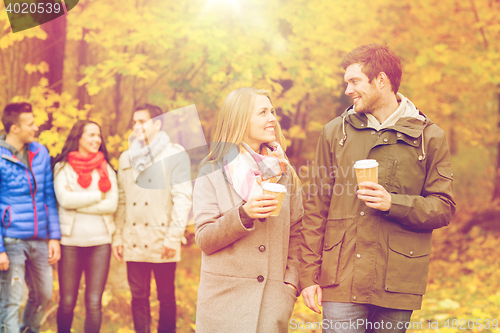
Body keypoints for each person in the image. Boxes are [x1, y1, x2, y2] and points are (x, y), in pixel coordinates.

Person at [299, 44, 456, 333]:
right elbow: (314, 208)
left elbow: (443, 208)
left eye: (355, 81)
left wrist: (392, 203)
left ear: (381, 81)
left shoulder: (429, 137)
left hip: (397, 280)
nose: (348, 90)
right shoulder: (335, 132)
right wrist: (307, 275)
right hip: (340, 280)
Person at [193, 87, 304, 333]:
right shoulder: (211, 172)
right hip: (223, 304)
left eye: (272, 111)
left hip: (272, 303)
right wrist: (243, 215)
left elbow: (298, 232)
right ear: (240, 120)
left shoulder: (285, 173)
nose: (272, 118)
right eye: (263, 112)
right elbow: (204, 238)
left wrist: (290, 284)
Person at [112, 104, 192, 333]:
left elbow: (183, 198)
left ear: (157, 123)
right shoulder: (126, 157)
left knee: (166, 297)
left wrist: (173, 237)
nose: (136, 126)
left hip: (162, 238)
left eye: (142, 121)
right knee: (138, 297)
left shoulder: (174, 154)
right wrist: (118, 237)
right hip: (133, 238)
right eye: (134, 121)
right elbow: (122, 201)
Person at [0, 102, 61, 333]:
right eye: (30, 124)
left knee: (44, 293)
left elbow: (48, 196)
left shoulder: (40, 152)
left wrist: (53, 237)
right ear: (14, 128)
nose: (35, 128)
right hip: (12, 241)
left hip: (40, 239)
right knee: (11, 299)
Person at [52, 120, 118, 333]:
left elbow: (113, 204)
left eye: (98, 135)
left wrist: (78, 202)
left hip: (100, 243)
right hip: (70, 243)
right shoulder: (63, 167)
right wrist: (99, 195)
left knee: (93, 303)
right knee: (67, 301)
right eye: (90, 135)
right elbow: (65, 200)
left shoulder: (106, 168)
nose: (96, 140)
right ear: (78, 137)